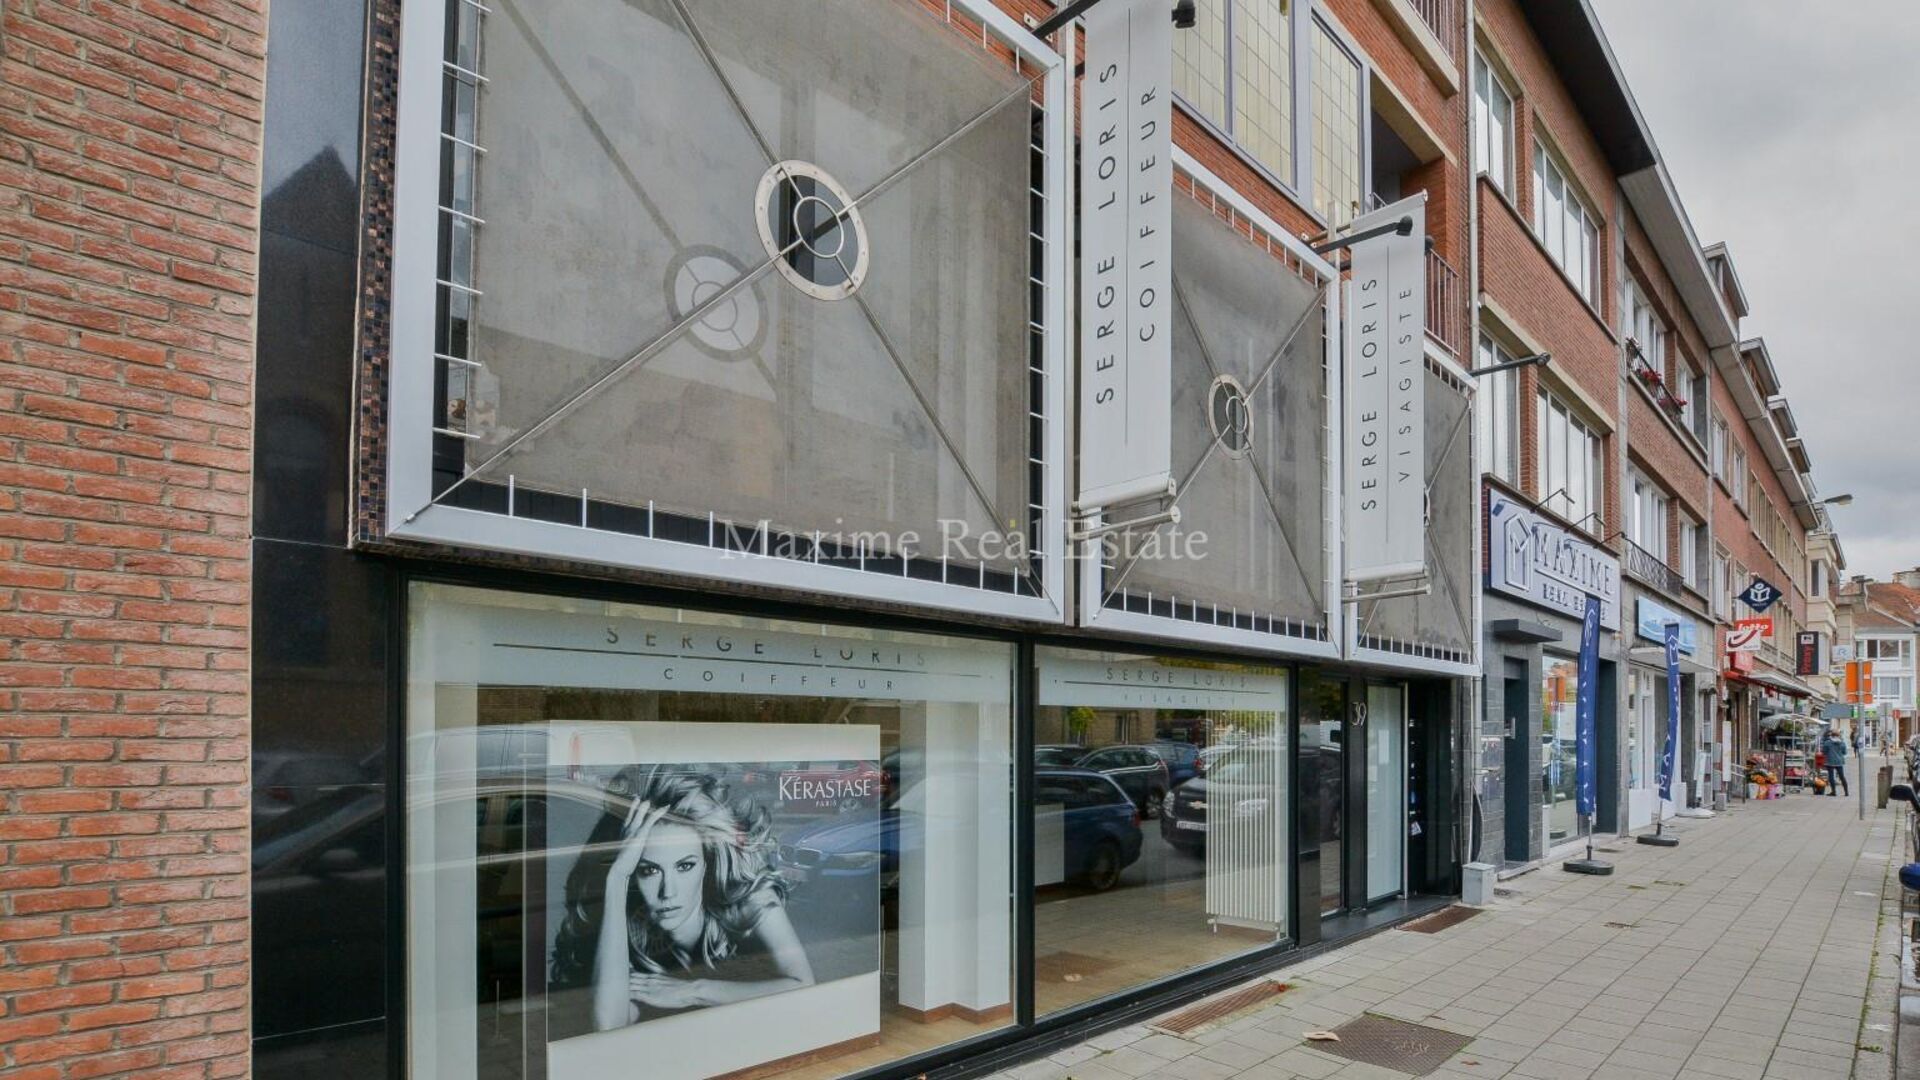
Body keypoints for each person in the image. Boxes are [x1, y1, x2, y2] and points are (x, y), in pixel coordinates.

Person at [550, 766, 815, 1033]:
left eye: (685, 866)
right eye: (649, 871)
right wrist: (617, 877)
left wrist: (695, 991)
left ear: (707, 864)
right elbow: (608, 1023)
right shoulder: (627, 927)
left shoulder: (746, 899)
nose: (668, 892)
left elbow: (803, 985)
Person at [1821, 729, 1849, 798]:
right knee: (1842, 776)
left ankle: (1833, 791)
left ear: (1831, 735)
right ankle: (1846, 792)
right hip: (1839, 761)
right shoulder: (1842, 743)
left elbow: (1824, 752)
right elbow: (1845, 752)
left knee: (1831, 776)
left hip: (1830, 761)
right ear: (1838, 735)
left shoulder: (1827, 742)